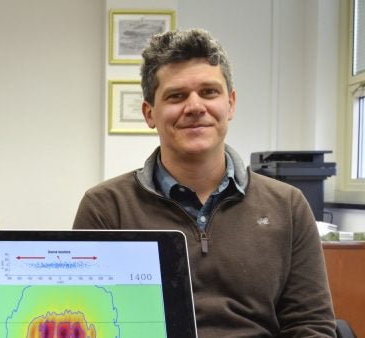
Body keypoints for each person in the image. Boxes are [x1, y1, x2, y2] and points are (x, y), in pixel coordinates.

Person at [73, 28, 336, 337]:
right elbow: (91, 324)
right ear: (149, 113)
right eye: (176, 96)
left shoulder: (287, 206)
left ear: (231, 104)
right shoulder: (107, 207)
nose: (195, 106)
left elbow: (311, 325)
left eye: (209, 92)